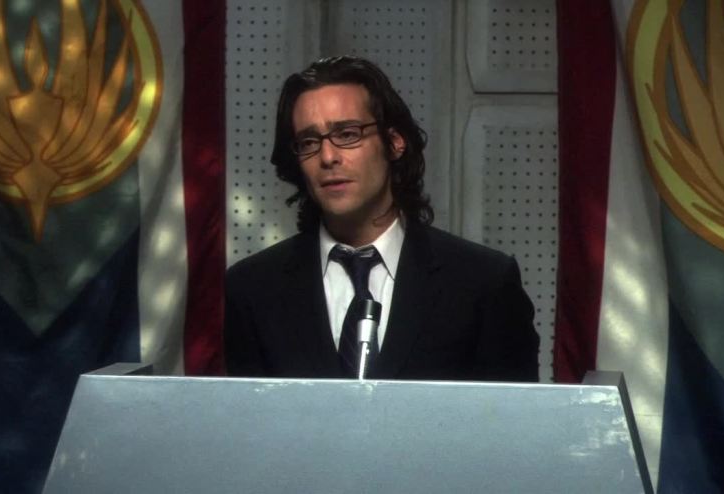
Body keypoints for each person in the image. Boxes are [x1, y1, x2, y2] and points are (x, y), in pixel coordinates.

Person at [224, 56, 539, 381]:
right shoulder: (252, 289)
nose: (328, 157)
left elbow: (513, 413)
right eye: (308, 142)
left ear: (394, 142)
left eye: (347, 134)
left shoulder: (483, 282)